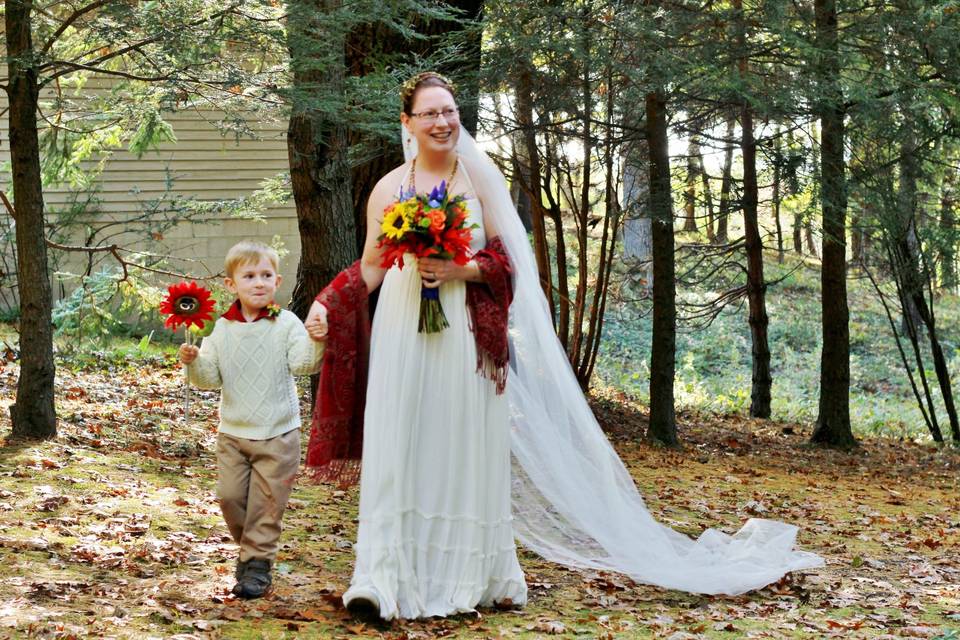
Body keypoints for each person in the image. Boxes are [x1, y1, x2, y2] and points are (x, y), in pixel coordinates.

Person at [305, 72, 823, 621]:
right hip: (403, 333)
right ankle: (381, 578)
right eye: (429, 113)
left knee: (459, 445)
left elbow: (510, 264)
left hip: (464, 338)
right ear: (407, 123)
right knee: (401, 444)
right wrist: (325, 303)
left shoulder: (479, 180)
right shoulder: (389, 189)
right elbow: (371, 265)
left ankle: (469, 574)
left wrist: (457, 269)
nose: (442, 122)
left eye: (450, 111)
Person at [180, 240, 327, 599]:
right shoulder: (223, 329)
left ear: (277, 282)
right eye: (249, 276)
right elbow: (209, 379)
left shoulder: (286, 323)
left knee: (267, 504)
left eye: (266, 276)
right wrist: (194, 360)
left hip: (278, 432)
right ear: (232, 285)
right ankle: (252, 553)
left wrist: (319, 342)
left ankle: (257, 565)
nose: (258, 282)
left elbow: (304, 364)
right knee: (230, 497)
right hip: (233, 432)